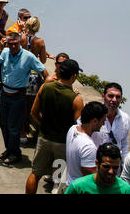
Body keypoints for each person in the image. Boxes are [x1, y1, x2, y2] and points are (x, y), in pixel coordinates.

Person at [24, 59, 85, 194]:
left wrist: (43, 124)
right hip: (63, 144)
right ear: (74, 76)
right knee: (58, 181)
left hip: (44, 138)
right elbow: (79, 128)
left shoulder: (45, 87)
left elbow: (33, 113)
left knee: (35, 174)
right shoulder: (76, 99)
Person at [0, 32, 48, 165]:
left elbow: (44, 72)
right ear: (7, 43)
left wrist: (44, 90)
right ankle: (9, 149)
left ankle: (15, 153)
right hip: (5, 93)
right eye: (10, 44)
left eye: (16, 44)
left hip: (18, 96)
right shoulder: (4, 52)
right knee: (3, 124)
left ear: (20, 43)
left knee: (14, 127)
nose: (13, 47)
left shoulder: (28, 57)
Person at [66, 101, 108, 186]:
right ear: (95, 121)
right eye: (103, 121)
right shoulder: (88, 146)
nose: (103, 124)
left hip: (71, 184)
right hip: (81, 189)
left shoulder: (73, 129)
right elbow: (91, 179)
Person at [65, 143, 130, 194]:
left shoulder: (125, 190)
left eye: (115, 168)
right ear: (97, 164)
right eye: (106, 167)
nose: (111, 171)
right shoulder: (77, 188)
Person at [92, 82, 130, 168]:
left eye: (118, 97)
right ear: (103, 96)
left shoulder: (125, 118)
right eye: (110, 96)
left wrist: (124, 167)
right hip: (96, 167)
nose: (114, 100)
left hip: (115, 170)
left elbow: (124, 145)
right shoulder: (93, 115)